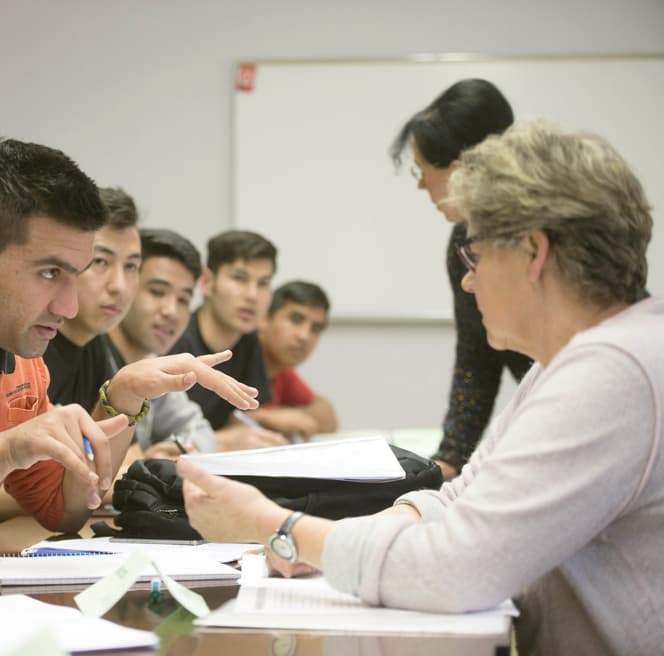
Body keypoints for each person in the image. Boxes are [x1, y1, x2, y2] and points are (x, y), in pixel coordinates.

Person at [179, 120, 664, 656]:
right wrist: (331, 540)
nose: (468, 280)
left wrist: (277, 526)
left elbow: (458, 569)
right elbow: (459, 498)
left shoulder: (613, 370)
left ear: (533, 252)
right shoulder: (572, 361)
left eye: (475, 253)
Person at [0, 139, 259, 537]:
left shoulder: (23, 361)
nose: (69, 306)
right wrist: (6, 451)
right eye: (49, 273)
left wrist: (122, 397)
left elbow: (63, 511)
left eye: (77, 274)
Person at [391, 78, 532, 480]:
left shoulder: (538, 232)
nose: (420, 184)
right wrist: (449, 460)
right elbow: (477, 356)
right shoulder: (463, 241)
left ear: (460, 170)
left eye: (422, 170)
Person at [170, 229, 286, 450]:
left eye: (263, 283)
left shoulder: (248, 340)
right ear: (206, 282)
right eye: (239, 279)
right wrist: (223, 441)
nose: (252, 295)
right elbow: (156, 439)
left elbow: (244, 417)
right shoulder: (174, 340)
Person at [107, 228, 216, 457]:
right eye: (157, 292)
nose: (171, 312)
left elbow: (200, 430)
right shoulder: (92, 354)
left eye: (184, 300)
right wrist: (142, 464)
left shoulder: (151, 362)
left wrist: (175, 449)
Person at [42, 187, 142, 411]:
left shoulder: (96, 346)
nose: (119, 286)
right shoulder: (27, 347)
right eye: (100, 262)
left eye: (131, 266)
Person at [254, 281, 338, 439]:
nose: (304, 336)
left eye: (316, 328)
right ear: (264, 318)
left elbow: (328, 417)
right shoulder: (239, 358)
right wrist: (268, 418)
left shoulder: (281, 369)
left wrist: (284, 416)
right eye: (296, 320)